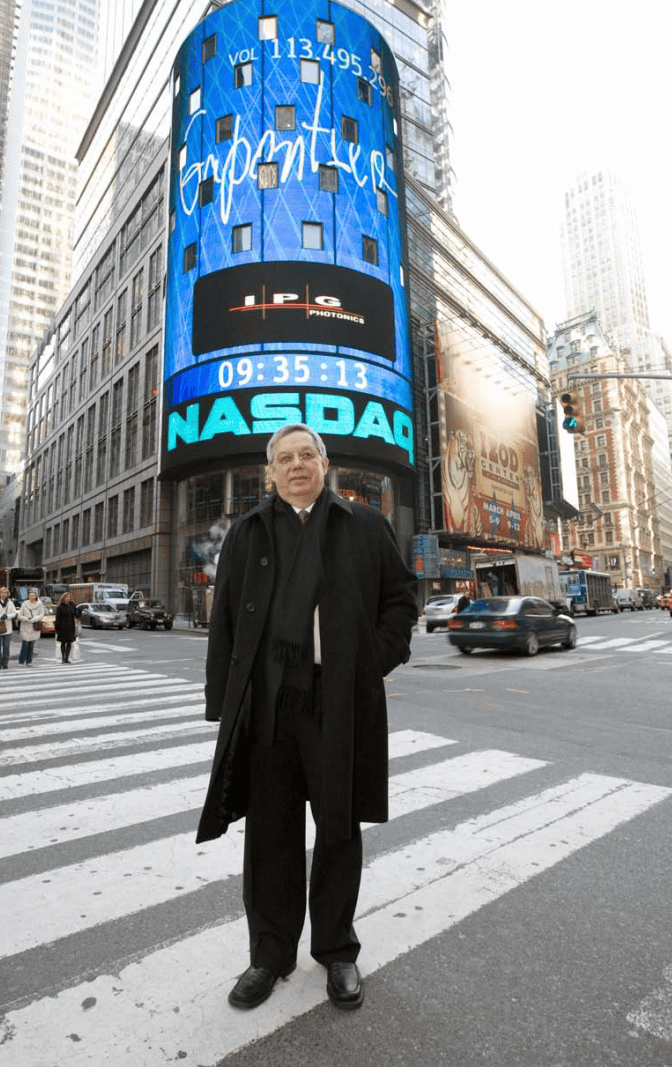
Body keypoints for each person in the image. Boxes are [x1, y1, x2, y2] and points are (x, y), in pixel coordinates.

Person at [197, 424, 417, 1012]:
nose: (296, 466)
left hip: (338, 700)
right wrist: (223, 703)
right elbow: (224, 620)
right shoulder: (248, 531)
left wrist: (375, 659)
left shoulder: (363, 524)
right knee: (270, 835)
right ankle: (268, 956)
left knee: (338, 828)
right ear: (271, 472)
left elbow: (402, 597)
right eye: (284, 458)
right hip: (268, 702)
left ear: (326, 463)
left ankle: (337, 952)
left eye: (306, 456)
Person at [17, 591, 46, 665]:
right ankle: (21, 660)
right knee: (25, 644)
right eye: (30, 596)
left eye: (33, 596)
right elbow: (19, 615)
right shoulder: (24, 604)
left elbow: (42, 614)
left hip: (34, 627)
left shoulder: (40, 604)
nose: (32, 597)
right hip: (25, 627)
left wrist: (35, 619)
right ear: (28, 597)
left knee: (31, 645)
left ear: (36, 597)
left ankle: (29, 660)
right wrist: (27, 618)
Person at [55, 593, 80, 662]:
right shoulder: (60, 606)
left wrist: (79, 611)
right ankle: (63, 657)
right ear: (63, 598)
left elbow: (76, 616)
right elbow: (57, 618)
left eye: (69, 597)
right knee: (63, 643)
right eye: (66, 597)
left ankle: (67, 658)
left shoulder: (72, 605)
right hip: (62, 627)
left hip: (70, 626)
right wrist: (57, 628)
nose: (68, 598)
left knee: (69, 642)